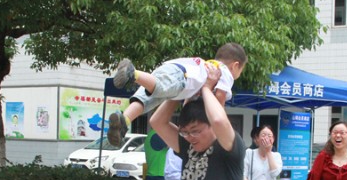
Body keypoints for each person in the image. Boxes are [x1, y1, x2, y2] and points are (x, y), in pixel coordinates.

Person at [106, 43, 248, 146]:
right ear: (235, 65)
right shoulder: (223, 71)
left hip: (169, 69)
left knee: (146, 100)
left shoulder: (204, 66)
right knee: (160, 88)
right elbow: (220, 99)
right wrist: (218, 123)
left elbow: (188, 100)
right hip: (181, 76)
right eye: (241, 71)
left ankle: (125, 120)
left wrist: (186, 116)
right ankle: (133, 73)